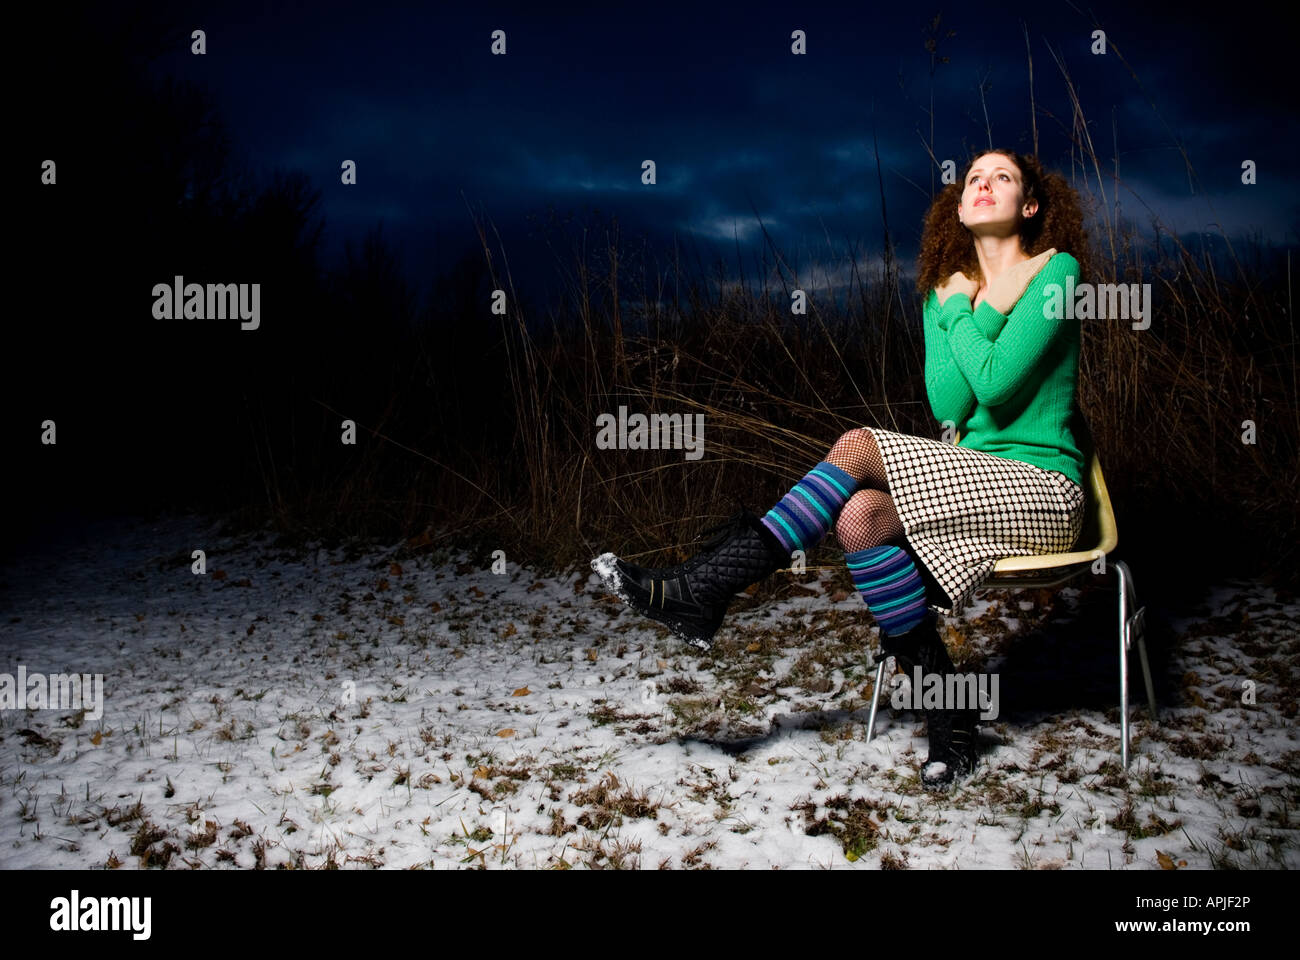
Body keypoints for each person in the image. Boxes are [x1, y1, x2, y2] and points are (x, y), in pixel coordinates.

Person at [591, 149, 1092, 790]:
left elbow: (995, 386)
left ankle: (706, 587)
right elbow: (952, 405)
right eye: (973, 178)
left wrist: (971, 311)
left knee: (856, 446)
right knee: (859, 517)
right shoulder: (946, 292)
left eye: (1002, 177)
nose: (984, 184)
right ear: (959, 207)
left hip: (1044, 495)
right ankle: (951, 717)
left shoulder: (1057, 273)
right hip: (973, 490)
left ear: (1029, 205)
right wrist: (953, 304)